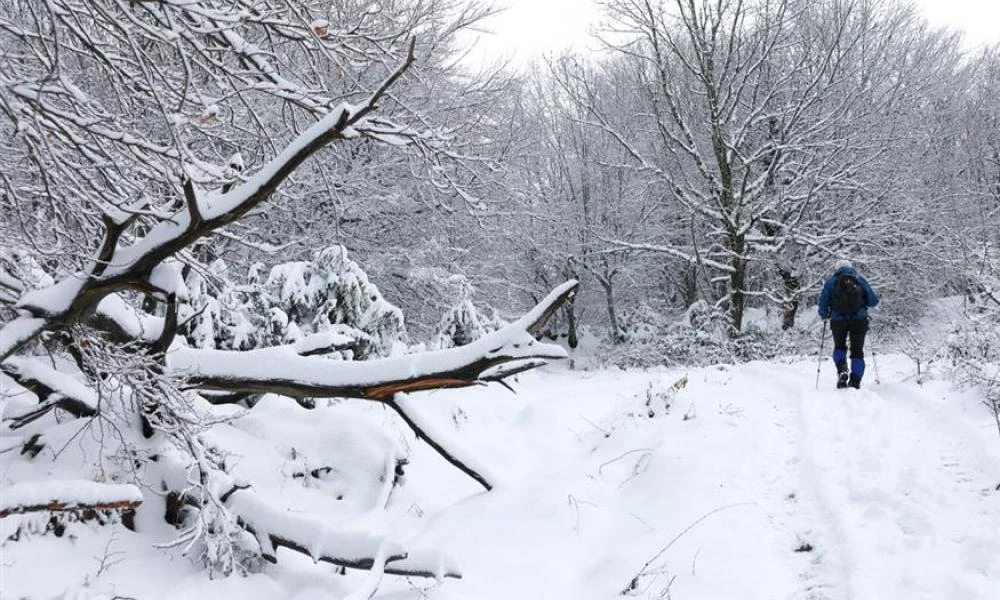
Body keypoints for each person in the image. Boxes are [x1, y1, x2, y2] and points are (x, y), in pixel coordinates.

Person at [817, 259, 879, 389]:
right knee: (857, 351)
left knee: (839, 347)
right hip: (859, 320)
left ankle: (842, 369)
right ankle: (855, 381)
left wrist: (824, 315)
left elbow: (823, 303)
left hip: (838, 320)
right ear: (851, 268)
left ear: (837, 269)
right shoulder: (859, 279)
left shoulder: (831, 281)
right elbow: (873, 301)